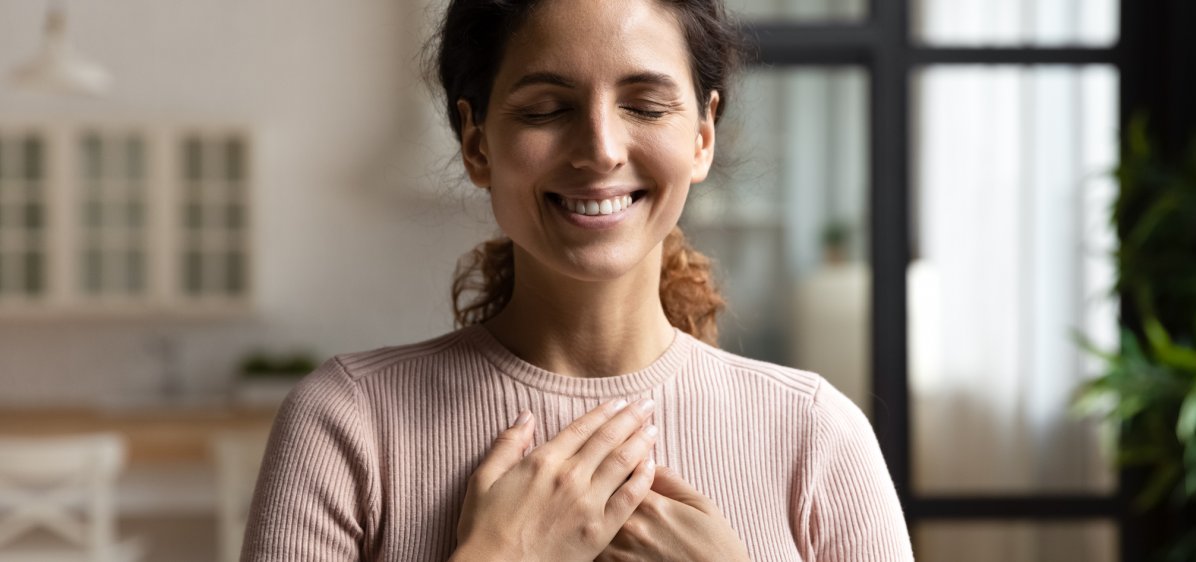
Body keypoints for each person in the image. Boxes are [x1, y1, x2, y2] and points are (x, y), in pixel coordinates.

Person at [241, 0, 915, 559]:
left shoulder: (815, 435)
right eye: (545, 109)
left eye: (646, 106)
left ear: (703, 135)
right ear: (477, 142)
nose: (600, 147)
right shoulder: (347, 426)